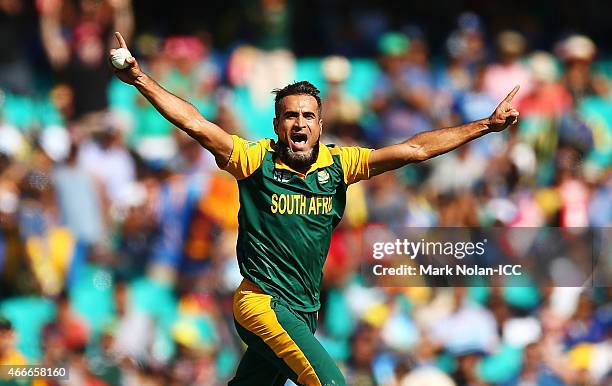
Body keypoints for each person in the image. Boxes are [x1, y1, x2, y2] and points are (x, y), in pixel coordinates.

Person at [109, 32, 520, 386]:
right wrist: (140, 78)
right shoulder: (255, 160)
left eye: (308, 115)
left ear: (321, 126)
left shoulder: (339, 165)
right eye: (290, 116)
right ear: (276, 125)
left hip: (304, 311)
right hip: (262, 302)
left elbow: (413, 149)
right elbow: (197, 125)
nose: (299, 123)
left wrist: (485, 125)